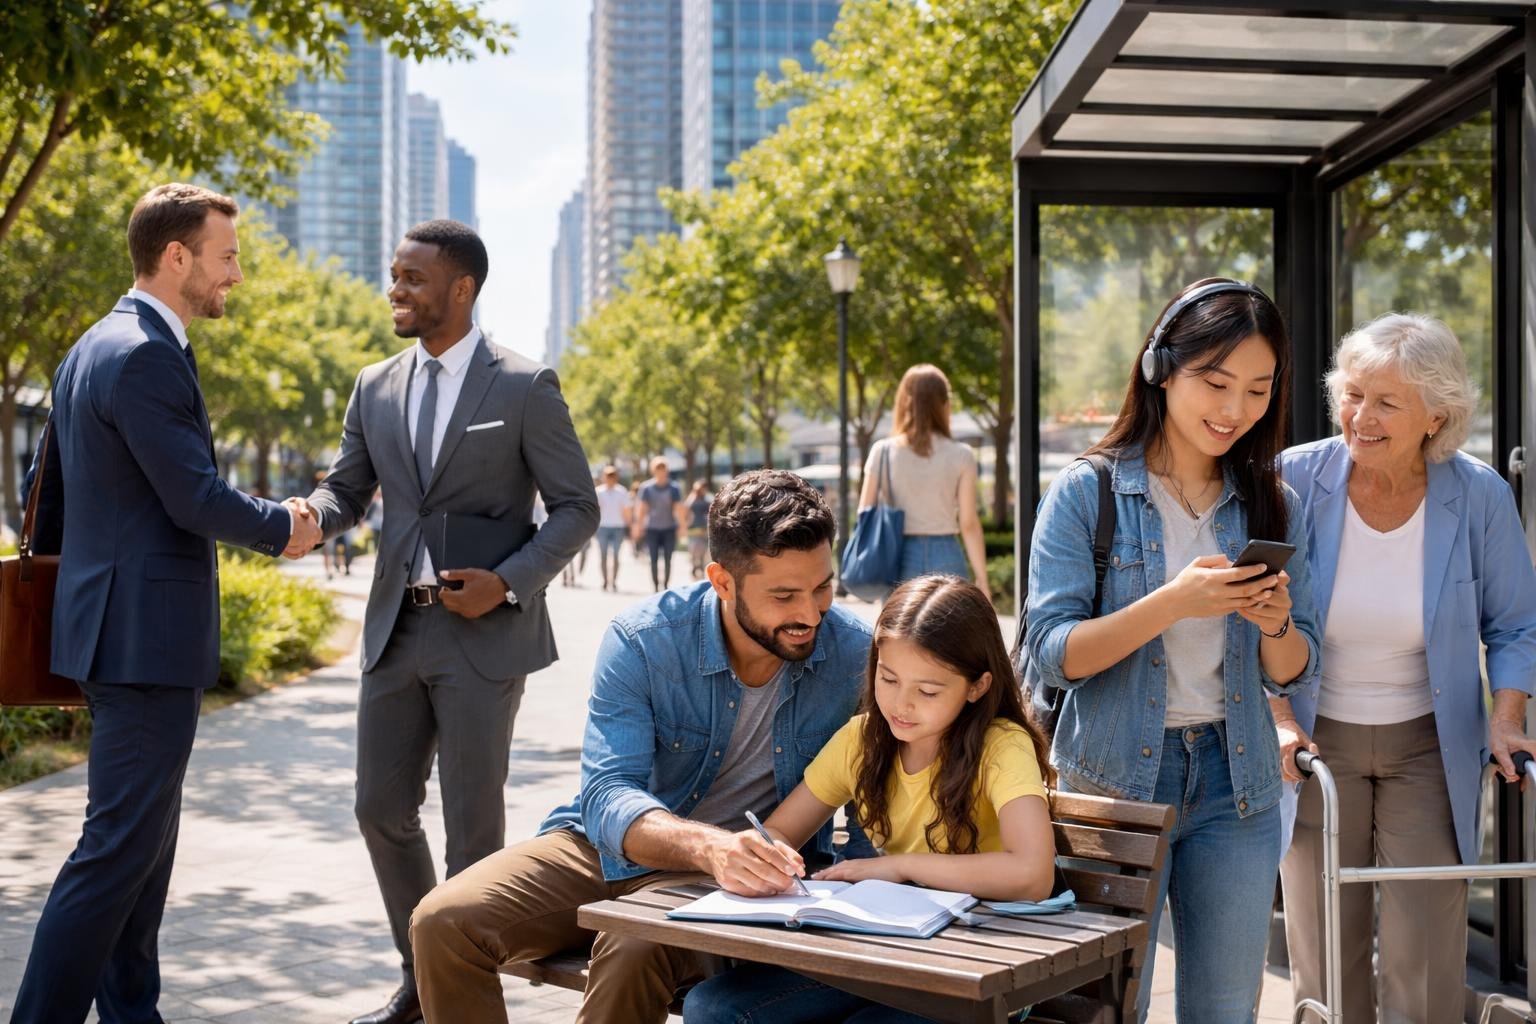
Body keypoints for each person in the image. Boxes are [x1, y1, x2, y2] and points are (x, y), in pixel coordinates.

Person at [10, 183, 320, 1024]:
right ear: (176, 256)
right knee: (117, 854)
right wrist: (285, 528)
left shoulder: (91, 346)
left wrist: (85, 598)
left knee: (139, 856)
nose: (238, 275)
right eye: (228, 257)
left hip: (115, 634)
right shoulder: (146, 354)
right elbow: (192, 497)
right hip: (144, 644)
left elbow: (44, 491)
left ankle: (131, 1015)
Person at [408, 470, 874, 1023]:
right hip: (606, 846)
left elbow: (876, 801)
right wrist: (710, 846)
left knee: (632, 944)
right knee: (442, 921)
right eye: (784, 595)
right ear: (722, 582)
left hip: (739, 881)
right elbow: (607, 793)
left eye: (822, 587)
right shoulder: (645, 638)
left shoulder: (855, 655)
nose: (810, 613)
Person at [300, 219, 599, 1024]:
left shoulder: (524, 385)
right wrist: (307, 516)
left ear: (460, 289)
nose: (394, 289)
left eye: (412, 278)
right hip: (396, 628)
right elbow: (347, 489)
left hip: (483, 635)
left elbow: (577, 507)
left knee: (473, 833)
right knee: (378, 809)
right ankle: (423, 977)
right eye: (394, 274)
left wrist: (509, 582)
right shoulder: (374, 385)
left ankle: (463, 999)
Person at [1025, 278, 1320, 1024]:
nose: (1235, 410)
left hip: (1236, 784)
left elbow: (1297, 666)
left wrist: (1276, 624)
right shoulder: (1086, 492)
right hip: (1114, 783)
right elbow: (1050, 654)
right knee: (1104, 1008)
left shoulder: (1271, 502)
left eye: (1258, 390)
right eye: (1216, 383)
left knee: (1224, 1011)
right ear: (1161, 369)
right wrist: (1172, 603)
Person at [1272, 313, 1536, 1024]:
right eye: (1353, 394)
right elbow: (1251, 618)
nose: (1362, 417)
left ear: (1436, 417)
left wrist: (1507, 720)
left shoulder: (1479, 495)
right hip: (1316, 737)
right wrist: (1280, 720)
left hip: (1429, 742)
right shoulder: (1292, 478)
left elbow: (1514, 624)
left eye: (1387, 402)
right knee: (1326, 946)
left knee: (1425, 950)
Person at [683, 575, 1056, 1023]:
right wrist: (764, 857)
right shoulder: (863, 740)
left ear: (977, 686)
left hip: (980, 963)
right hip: (888, 949)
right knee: (713, 1007)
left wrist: (900, 867)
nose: (901, 704)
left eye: (928, 691)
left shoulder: (1002, 745)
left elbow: (1032, 874)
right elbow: (782, 829)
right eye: (888, 678)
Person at [858, 365, 989, 599]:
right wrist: (983, 580)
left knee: (902, 621)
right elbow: (968, 523)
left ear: (903, 402)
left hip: (898, 554)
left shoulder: (882, 451)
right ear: (944, 404)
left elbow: (864, 513)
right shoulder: (962, 454)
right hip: (947, 552)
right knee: (951, 622)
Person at [638, 456, 686, 591]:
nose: (660, 471)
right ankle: (655, 586)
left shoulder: (674, 488)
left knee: (668, 559)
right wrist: (639, 525)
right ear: (653, 470)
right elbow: (642, 509)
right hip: (652, 528)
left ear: (666, 470)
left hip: (669, 528)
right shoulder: (646, 488)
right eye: (658, 468)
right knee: (653, 559)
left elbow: (678, 508)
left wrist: (682, 526)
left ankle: (665, 585)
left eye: (663, 468)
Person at [595, 464, 631, 591]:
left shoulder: (622, 491)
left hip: (618, 527)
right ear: (604, 477)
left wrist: (629, 525)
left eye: (612, 476)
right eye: (608, 476)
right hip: (603, 527)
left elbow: (626, 510)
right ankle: (605, 580)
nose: (610, 478)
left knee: (616, 555)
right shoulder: (599, 491)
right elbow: (595, 510)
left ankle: (614, 580)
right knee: (603, 555)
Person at [686, 479, 712, 580]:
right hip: (693, 528)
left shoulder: (708, 498)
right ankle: (694, 566)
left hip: (704, 528)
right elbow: (686, 510)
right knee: (693, 549)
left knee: (703, 550)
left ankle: (700, 567)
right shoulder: (692, 498)